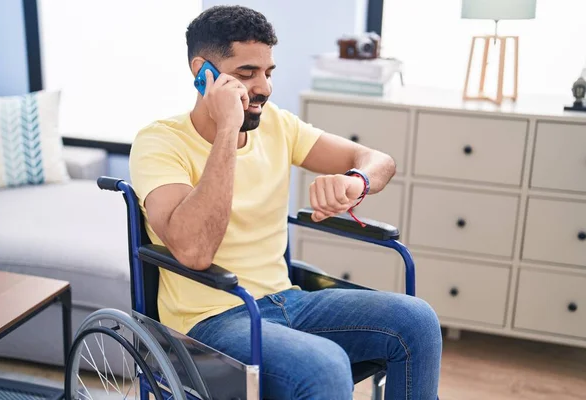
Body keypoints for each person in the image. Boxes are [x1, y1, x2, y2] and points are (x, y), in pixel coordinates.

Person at [129, 5, 442, 399]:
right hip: (210, 321)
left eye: (268, 72)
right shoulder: (158, 142)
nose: (264, 87)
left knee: (417, 321)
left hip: (287, 300)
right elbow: (194, 251)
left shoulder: (279, 125)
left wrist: (355, 183)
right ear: (202, 72)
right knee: (323, 365)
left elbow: (380, 162)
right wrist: (228, 127)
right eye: (246, 74)